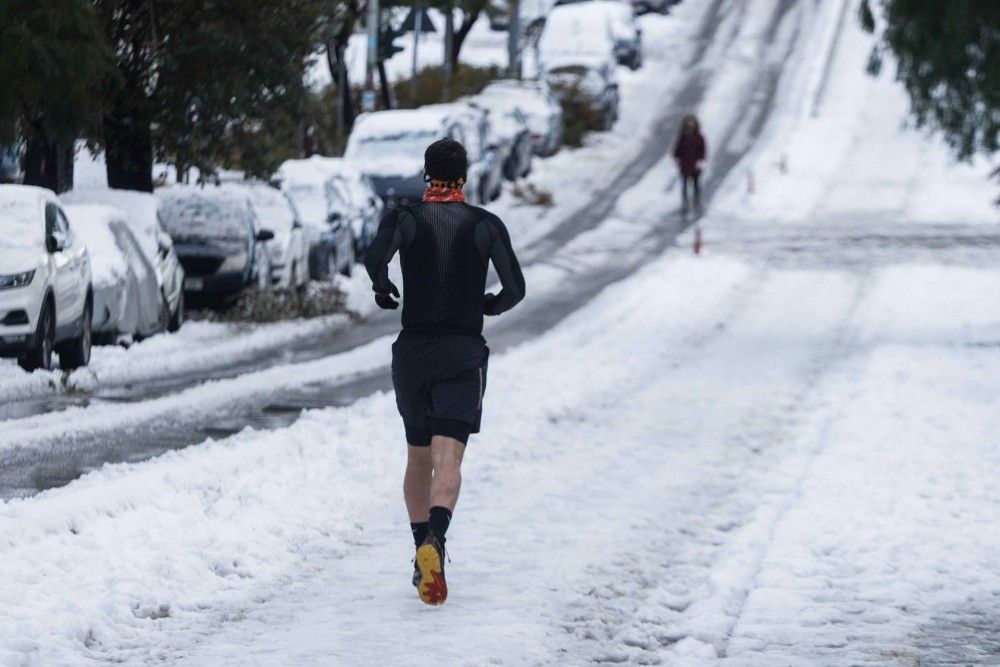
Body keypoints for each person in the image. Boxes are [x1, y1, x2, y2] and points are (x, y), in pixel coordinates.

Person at [365, 137, 526, 606]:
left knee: (417, 456)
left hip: (412, 353)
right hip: (461, 353)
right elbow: (515, 288)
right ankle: (437, 536)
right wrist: (488, 305)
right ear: (465, 175)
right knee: (448, 459)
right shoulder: (485, 225)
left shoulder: (405, 218)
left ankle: (421, 550)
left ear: (425, 173)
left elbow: (375, 257)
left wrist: (382, 286)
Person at [673, 114, 707, 211]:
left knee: (696, 185)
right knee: (684, 186)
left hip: (695, 166)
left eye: (692, 125)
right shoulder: (682, 138)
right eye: (688, 125)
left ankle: (697, 202)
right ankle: (685, 203)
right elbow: (676, 151)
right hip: (684, 165)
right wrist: (678, 159)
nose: (690, 127)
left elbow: (702, 150)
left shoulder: (699, 138)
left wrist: (700, 161)